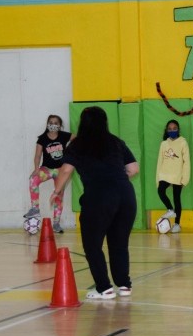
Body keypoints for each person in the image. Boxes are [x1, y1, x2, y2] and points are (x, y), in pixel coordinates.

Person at [50, 106, 139, 300]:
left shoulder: (77, 145)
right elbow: (133, 169)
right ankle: (124, 285)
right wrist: (115, 178)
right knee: (119, 244)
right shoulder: (116, 141)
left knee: (92, 245)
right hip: (126, 195)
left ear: (83, 123)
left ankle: (104, 288)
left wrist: (56, 191)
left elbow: (65, 171)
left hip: (99, 197)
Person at [23, 114, 74, 233]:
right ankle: (35, 208)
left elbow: (78, 139)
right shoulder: (42, 138)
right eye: (51, 122)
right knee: (33, 180)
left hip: (61, 170)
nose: (53, 124)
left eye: (56, 123)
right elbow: (37, 155)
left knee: (59, 196)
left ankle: (56, 223)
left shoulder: (64, 135)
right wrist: (36, 169)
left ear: (60, 125)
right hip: (47, 169)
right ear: (47, 124)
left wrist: (72, 152)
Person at [156, 119, 190, 233]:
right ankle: (170, 210)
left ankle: (177, 224)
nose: (172, 131)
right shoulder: (163, 144)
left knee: (177, 199)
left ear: (178, 129)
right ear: (166, 130)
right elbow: (159, 161)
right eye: (170, 129)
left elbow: (187, 162)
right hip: (165, 174)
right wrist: (158, 178)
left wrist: (184, 179)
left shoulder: (182, 142)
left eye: (174, 128)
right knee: (160, 191)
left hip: (177, 175)